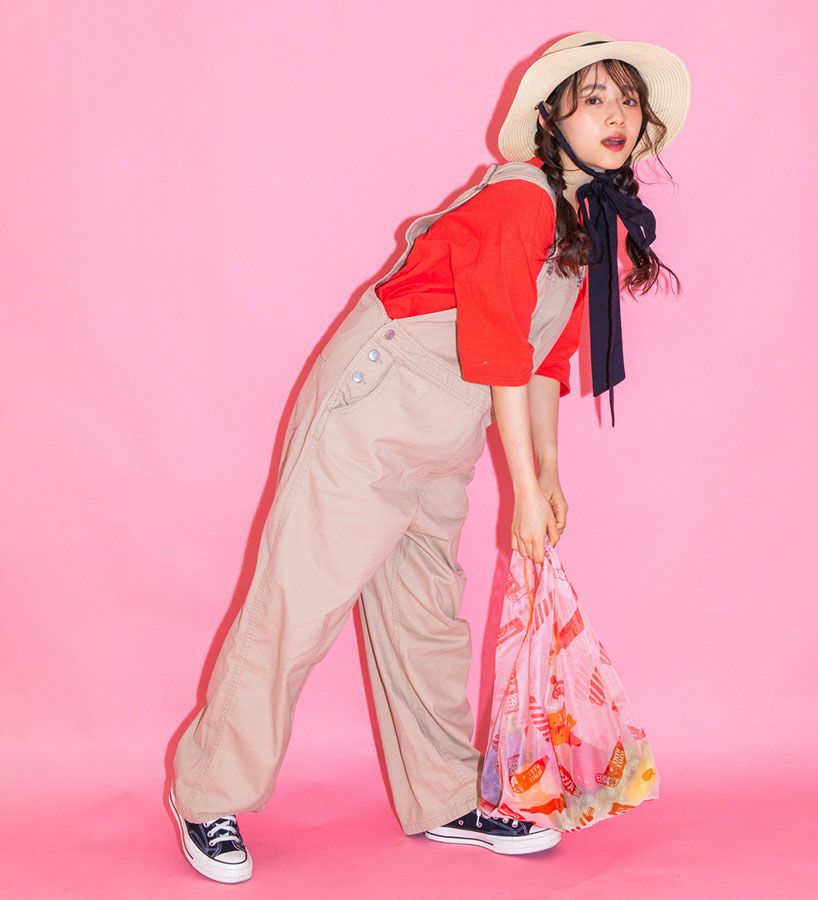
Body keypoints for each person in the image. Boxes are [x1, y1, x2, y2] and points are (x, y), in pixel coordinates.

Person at [166, 30, 691, 882]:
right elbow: (498, 348)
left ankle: (445, 796)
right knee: (298, 605)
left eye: (626, 99)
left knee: (427, 619)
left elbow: (545, 361)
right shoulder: (520, 200)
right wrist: (523, 493)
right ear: (551, 119)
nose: (616, 114)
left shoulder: (586, 226)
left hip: (447, 425)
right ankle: (205, 793)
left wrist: (548, 475)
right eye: (593, 97)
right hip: (375, 406)